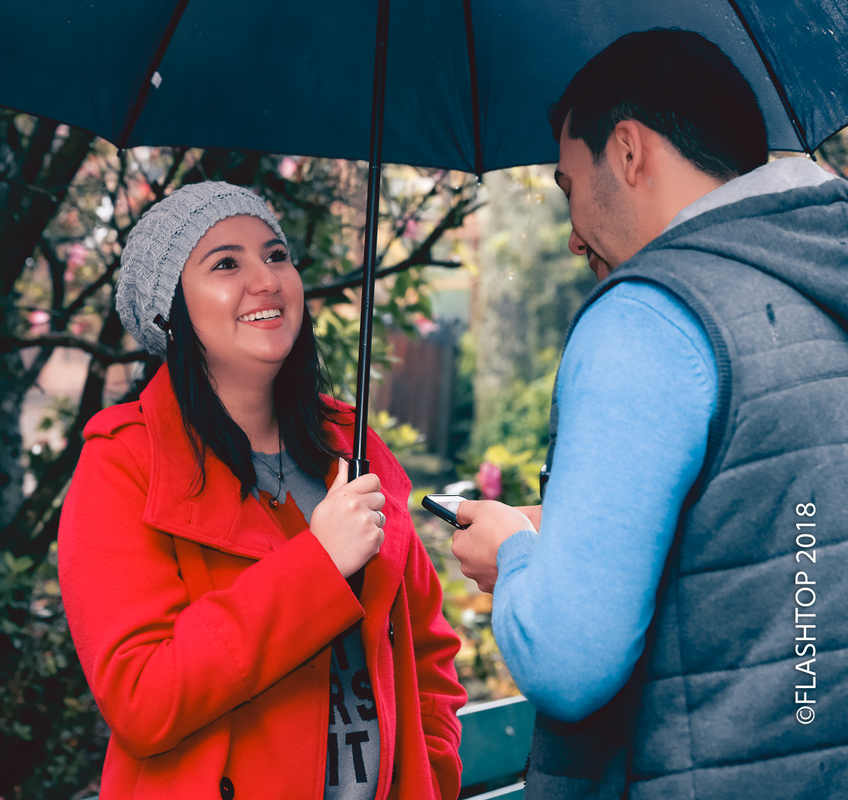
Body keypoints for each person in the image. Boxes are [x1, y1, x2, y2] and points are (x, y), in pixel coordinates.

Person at [448, 28, 848, 799]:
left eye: (570, 187)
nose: (572, 237)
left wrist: (517, 561)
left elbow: (568, 662)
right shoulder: (820, 276)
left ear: (628, 152)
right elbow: (770, 547)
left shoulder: (648, 318)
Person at [58, 182, 467, 800]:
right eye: (226, 263)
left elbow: (427, 653)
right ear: (169, 312)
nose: (267, 279)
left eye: (276, 255)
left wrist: (429, 775)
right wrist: (320, 565)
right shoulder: (125, 465)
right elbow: (142, 698)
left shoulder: (354, 449)